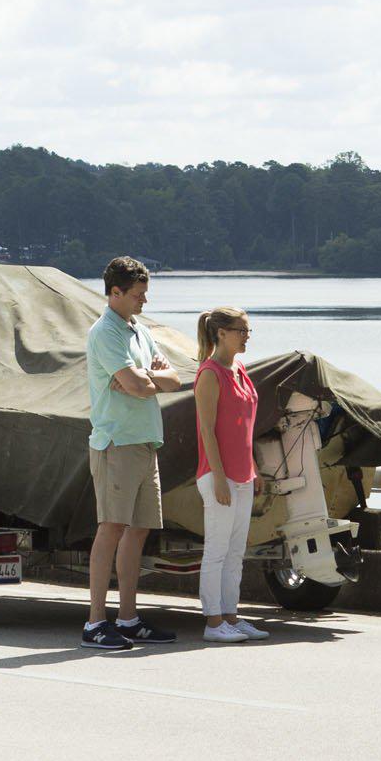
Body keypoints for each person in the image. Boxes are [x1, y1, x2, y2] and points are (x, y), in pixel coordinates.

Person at [83, 255, 182, 653]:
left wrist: (147, 379)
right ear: (115, 292)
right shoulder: (105, 333)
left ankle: (127, 618)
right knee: (111, 527)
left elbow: (171, 379)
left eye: (146, 294)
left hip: (144, 440)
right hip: (116, 443)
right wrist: (143, 381)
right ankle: (94, 623)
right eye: (139, 295)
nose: (145, 301)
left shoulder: (137, 330)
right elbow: (135, 386)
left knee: (138, 530)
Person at [193, 307, 268, 644]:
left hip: (243, 475)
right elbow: (207, 430)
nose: (246, 336)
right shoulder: (210, 374)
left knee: (237, 551)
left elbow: (244, 428)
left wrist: (254, 468)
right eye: (241, 330)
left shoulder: (239, 369)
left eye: (248, 330)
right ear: (221, 333)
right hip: (217, 475)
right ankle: (213, 622)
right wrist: (220, 477)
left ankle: (231, 616)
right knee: (217, 550)